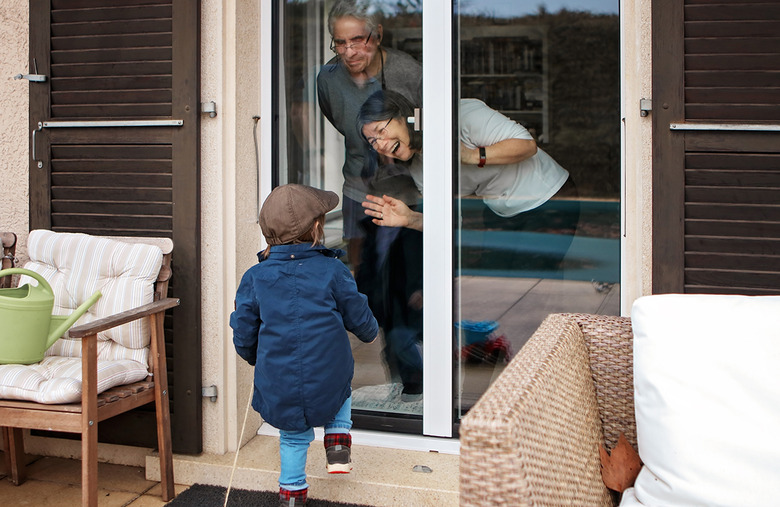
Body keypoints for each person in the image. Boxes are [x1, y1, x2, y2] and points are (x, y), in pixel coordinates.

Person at [230, 184, 379, 507]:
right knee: (341, 385)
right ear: (316, 228)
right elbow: (358, 313)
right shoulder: (332, 270)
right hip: (330, 371)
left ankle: (292, 495)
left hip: (278, 376)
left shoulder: (255, 277)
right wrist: (370, 332)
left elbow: (243, 329)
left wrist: (253, 356)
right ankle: (338, 443)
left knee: (293, 436)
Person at [357, 90, 579, 272]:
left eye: (381, 131)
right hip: (500, 211)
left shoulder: (462, 114)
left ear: (403, 116)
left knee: (528, 281)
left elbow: (526, 145)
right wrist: (411, 219)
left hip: (548, 197)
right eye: (373, 141)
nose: (381, 145)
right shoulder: (419, 169)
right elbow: (451, 223)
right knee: (492, 281)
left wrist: (471, 156)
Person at [317, 0, 422, 269]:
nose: (349, 52)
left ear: (377, 35)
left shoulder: (409, 73)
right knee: (361, 278)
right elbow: (342, 125)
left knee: (410, 284)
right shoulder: (328, 78)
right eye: (340, 42)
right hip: (358, 192)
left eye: (357, 40)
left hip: (409, 196)